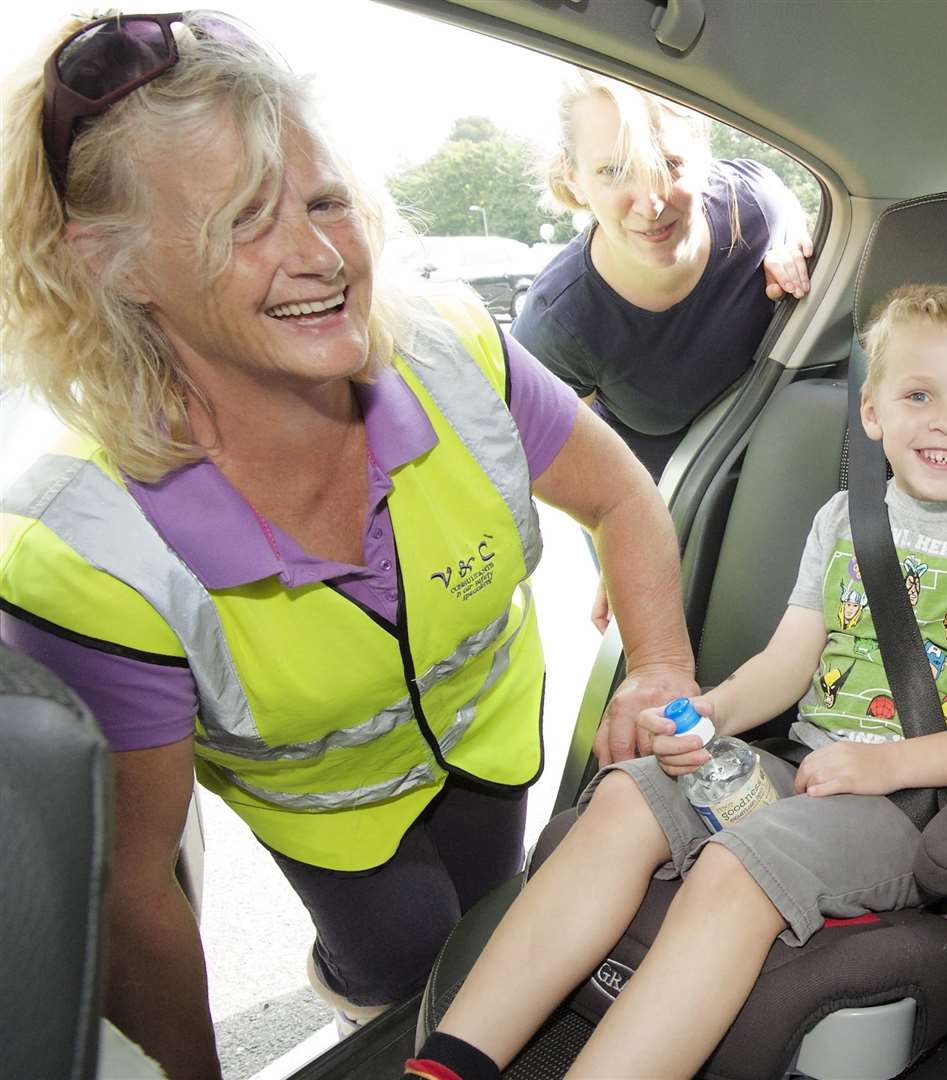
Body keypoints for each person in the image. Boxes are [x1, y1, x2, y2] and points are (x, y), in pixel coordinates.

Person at [0, 13, 699, 1078]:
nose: (322, 256)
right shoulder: (82, 551)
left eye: (326, 201)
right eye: (242, 222)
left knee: (488, 930)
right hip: (330, 822)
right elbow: (133, 889)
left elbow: (624, 500)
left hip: (490, 741)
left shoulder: (454, 350)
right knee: (401, 960)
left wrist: (656, 671)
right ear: (116, 264)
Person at [409, 284, 947, 1080]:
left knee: (738, 865)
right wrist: (710, 712)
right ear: (872, 413)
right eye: (919, 394)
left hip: (908, 802)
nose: (946, 421)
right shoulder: (842, 521)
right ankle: (452, 1062)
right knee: (629, 791)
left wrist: (887, 765)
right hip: (801, 767)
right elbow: (789, 664)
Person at [513, 73, 813, 483]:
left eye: (668, 164)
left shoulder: (756, 206)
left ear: (704, 157)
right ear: (574, 180)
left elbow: (797, 219)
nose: (651, 204)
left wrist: (794, 247)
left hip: (792, 476)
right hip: (672, 513)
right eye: (613, 171)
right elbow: (578, 475)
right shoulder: (556, 324)